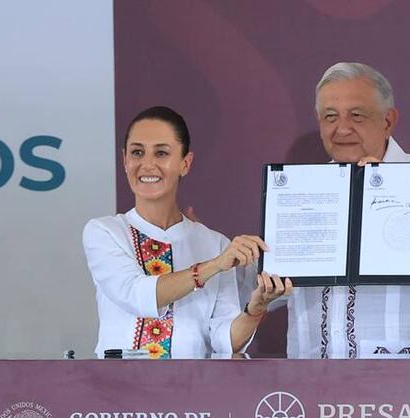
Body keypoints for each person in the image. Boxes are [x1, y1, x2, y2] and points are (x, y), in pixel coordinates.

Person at [84, 105, 291, 359]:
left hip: (191, 393)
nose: (147, 164)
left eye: (161, 153)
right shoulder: (105, 232)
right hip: (117, 391)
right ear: (125, 160)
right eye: (137, 153)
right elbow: (136, 294)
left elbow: (225, 341)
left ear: (185, 163)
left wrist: (256, 308)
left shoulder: (214, 243)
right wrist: (213, 266)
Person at [281, 62, 410, 359]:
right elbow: (271, 287)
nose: (342, 128)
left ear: (388, 121)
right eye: (330, 117)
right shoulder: (302, 192)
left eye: (357, 115)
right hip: (312, 380)